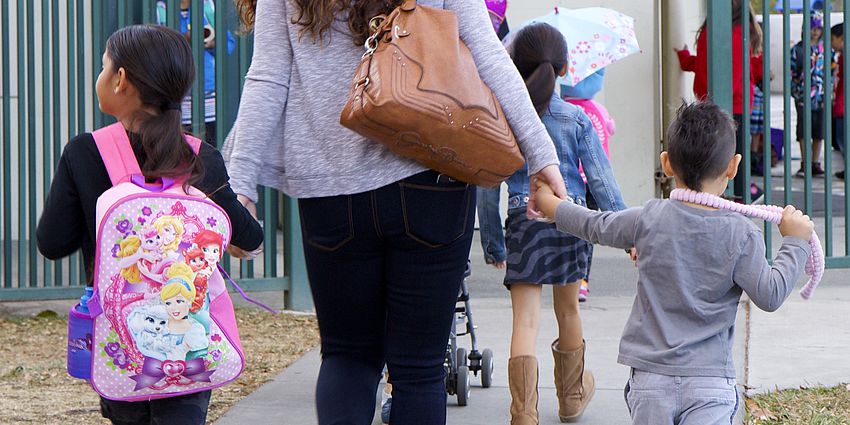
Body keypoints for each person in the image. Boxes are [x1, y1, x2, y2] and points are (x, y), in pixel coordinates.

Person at [225, 1, 567, 423]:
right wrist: (541, 155)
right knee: (420, 370)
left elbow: (268, 78)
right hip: (431, 176)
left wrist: (240, 185)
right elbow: (488, 52)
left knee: (347, 355)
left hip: (331, 188)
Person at [36, 25, 263, 425]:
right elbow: (250, 237)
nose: (102, 76)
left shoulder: (85, 153)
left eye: (104, 67)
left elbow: (52, 242)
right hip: (190, 342)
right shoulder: (199, 157)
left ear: (120, 80)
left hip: (120, 342)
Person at [533, 100, 814, 425]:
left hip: (651, 380)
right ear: (733, 167)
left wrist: (551, 205)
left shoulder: (649, 218)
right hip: (709, 383)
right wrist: (794, 241)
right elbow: (770, 293)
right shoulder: (742, 234)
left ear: (666, 164)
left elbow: (595, 225)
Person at [504, 23, 626, 425]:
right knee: (568, 309)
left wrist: (491, 240)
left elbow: (488, 189)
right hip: (568, 219)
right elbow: (602, 181)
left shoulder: (505, 116)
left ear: (515, 65)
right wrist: (626, 232)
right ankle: (571, 398)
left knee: (525, 319)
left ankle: (523, 412)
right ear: (564, 68)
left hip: (522, 220)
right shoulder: (576, 119)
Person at [675, 0, 764, 202]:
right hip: (720, 103)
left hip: (729, 105)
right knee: (727, 154)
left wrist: (717, 107)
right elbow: (708, 62)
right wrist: (685, 58)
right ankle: (739, 196)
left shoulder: (735, 31)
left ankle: (741, 198)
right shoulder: (721, 26)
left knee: (731, 156)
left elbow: (729, 73)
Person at [562, 69, 617, 302]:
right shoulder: (598, 110)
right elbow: (611, 128)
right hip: (593, 181)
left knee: (568, 227)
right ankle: (583, 281)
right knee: (588, 231)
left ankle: (567, 276)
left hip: (571, 179)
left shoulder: (563, 110)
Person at [156, 0, 235, 146]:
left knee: (209, 148)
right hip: (175, 95)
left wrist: (212, 44)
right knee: (179, 150)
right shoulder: (160, 11)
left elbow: (228, 44)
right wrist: (183, 41)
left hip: (208, 95)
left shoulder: (207, 7)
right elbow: (155, 52)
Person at [791, 11, 827, 177]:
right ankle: (805, 163)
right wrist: (796, 93)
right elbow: (791, 74)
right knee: (804, 131)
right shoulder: (797, 49)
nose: (815, 32)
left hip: (821, 97)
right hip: (803, 97)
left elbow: (831, 71)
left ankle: (814, 162)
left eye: (818, 28)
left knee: (819, 132)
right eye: (812, 28)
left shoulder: (825, 49)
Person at [832, 23, 846, 179]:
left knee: (842, 141)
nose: (831, 43)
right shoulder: (841, 55)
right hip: (841, 104)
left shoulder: (844, 56)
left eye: (832, 39)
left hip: (842, 106)